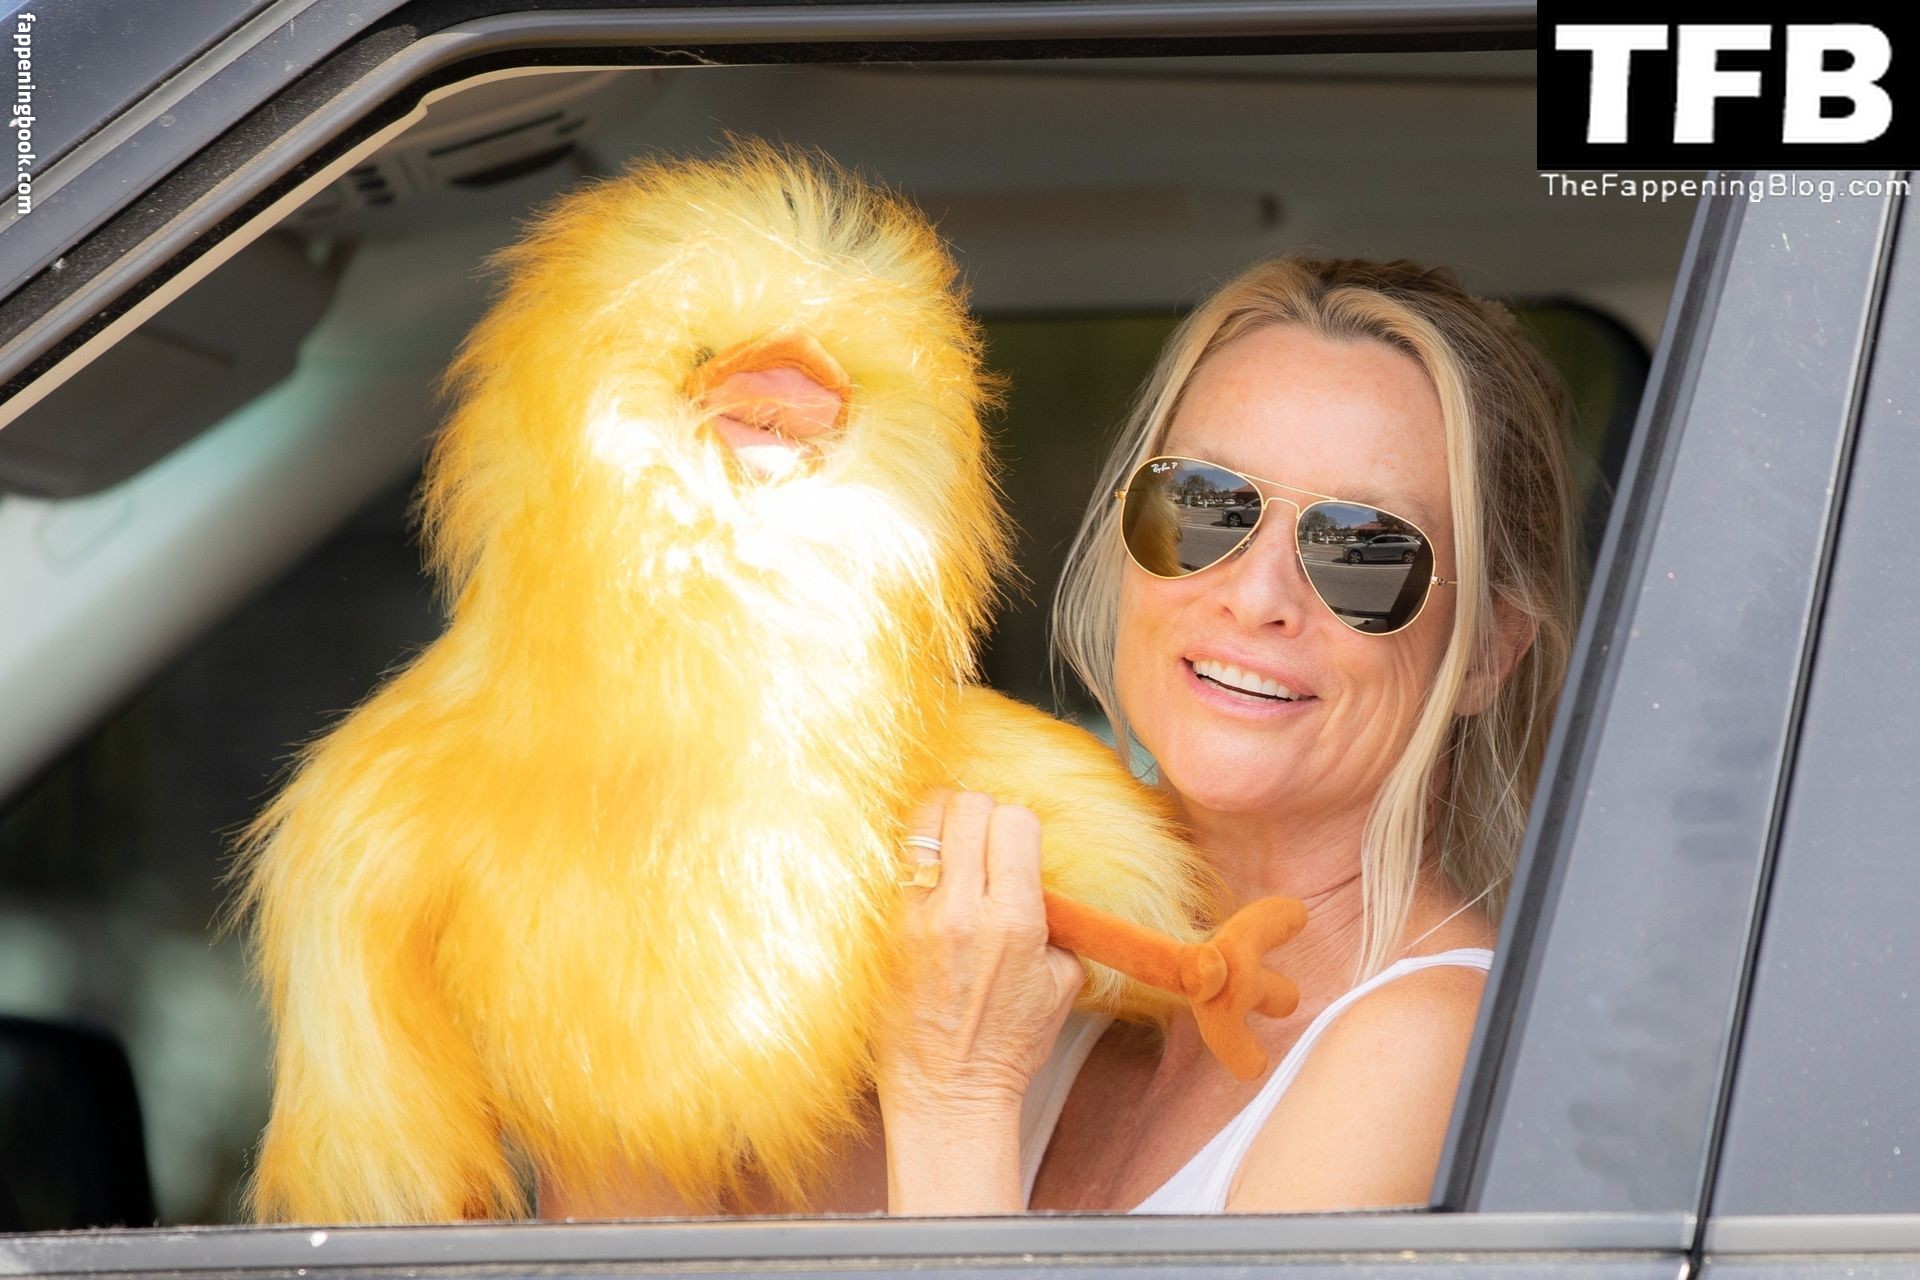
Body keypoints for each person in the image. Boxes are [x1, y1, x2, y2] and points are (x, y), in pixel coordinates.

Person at [538, 253, 1584, 1220]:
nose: (1256, 596)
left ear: (1486, 654)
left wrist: (957, 1094)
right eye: (1203, 503)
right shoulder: (1025, 960)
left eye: (1364, 549)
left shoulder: (1427, 1041)